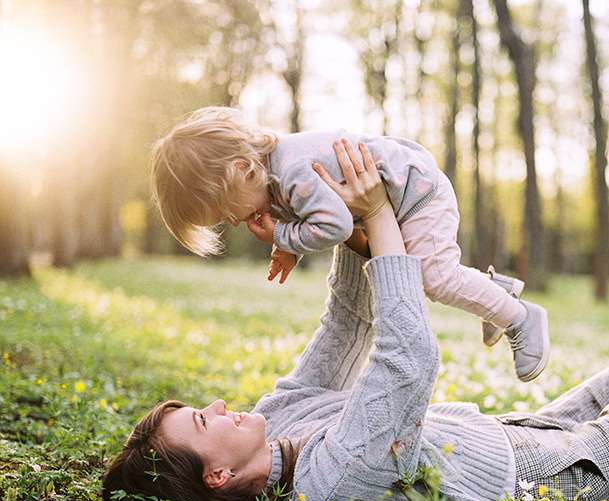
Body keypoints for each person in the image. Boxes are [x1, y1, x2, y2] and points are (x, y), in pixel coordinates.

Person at [104, 141, 609, 501]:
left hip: (526, 434)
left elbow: (346, 326)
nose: (219, 405)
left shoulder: (279, 421)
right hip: (571, 478)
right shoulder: (330, 483)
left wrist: (348, 220)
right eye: (204, 422)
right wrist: (377, 218)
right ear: (214, 478)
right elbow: (407, 365)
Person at [149, 106, 548, 382]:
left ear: (240, 170)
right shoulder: (277, 172)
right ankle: (495, 293)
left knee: (433, 278)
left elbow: (336, 225)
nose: (234, 222)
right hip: (406, 191)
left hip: (416, 193)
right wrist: (288, 245)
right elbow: (318, 214)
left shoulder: (292, 172)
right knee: (424, 272)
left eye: (224, 212)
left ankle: (520, 317)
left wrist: (282, 235)